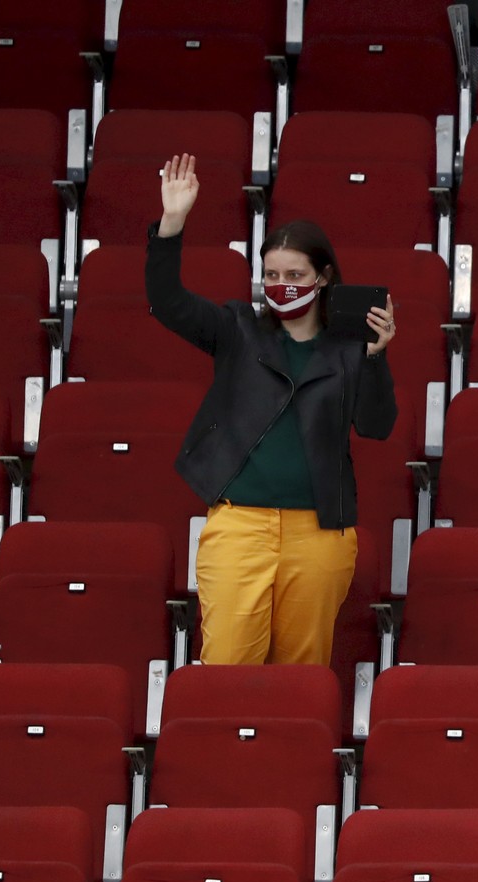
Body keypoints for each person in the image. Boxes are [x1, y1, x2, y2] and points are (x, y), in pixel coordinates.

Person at [146, 152, 398, 666]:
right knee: (226, 666)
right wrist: (172, 224)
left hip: (320, 533)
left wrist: (375, 360)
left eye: (295, 273)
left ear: (323, 277)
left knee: (301, 675)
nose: (282, 283)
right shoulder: (236, 329)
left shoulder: (347, 346)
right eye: (271, 273)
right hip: (241, 526)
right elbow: (167, 301)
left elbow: (376, 426)